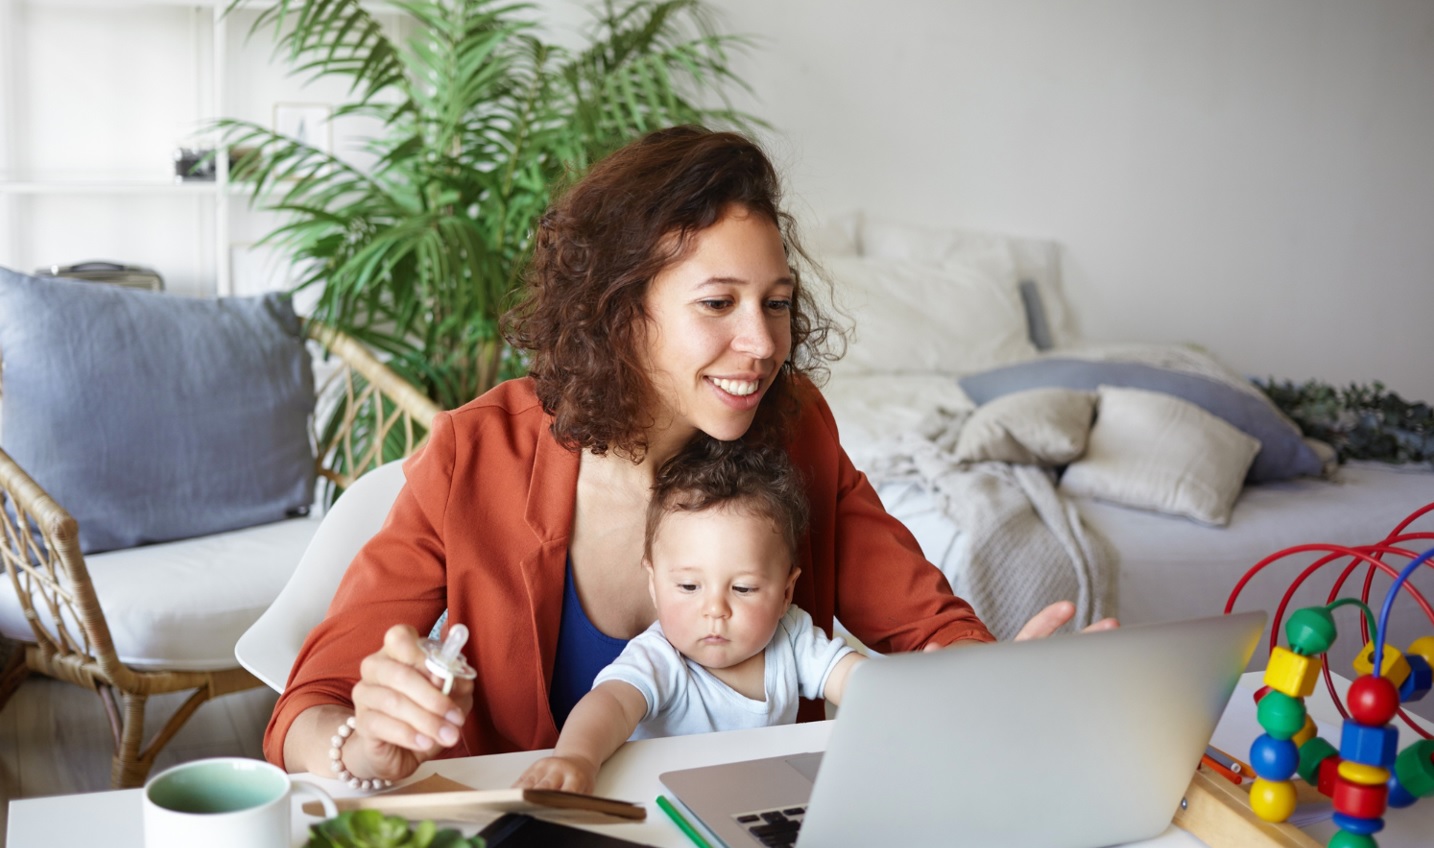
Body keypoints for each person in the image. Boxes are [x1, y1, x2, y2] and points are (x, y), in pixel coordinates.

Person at [265, 124, 1115, 787]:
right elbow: (307, 710)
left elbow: (926, 627)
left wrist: (998, 679)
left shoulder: (798, 431)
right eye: (718, 302)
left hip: (749, 840)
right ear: (619, 307)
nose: (761, 342)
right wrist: (362, 745)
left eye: (776, 303)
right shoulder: (474, 454)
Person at [516, 437, 865, 794]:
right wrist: (577, 758)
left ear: (786, 593)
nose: (715, 609)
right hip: (663, 807)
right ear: (654, 584)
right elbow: (612, 704)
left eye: (743, 589)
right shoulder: (661, 658)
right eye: (688, 586)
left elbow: (857, 680)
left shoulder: (791, 638)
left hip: (757, 803)